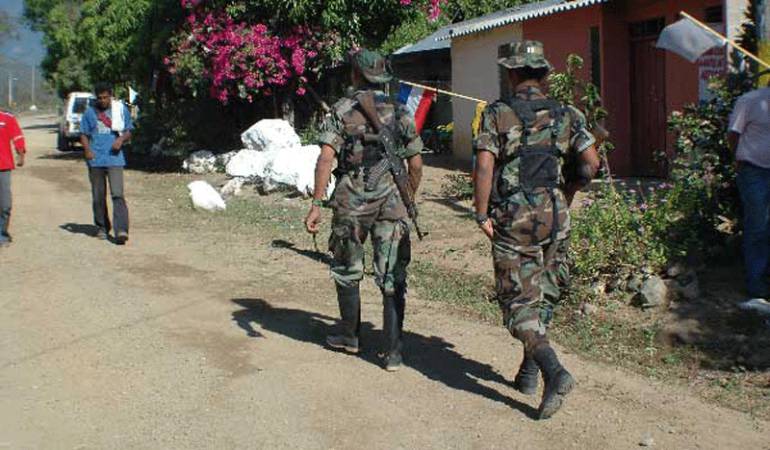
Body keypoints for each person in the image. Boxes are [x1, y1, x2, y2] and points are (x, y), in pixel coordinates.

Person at [473, 40, 600, 419]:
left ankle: (555, 372)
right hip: (556, 214)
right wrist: (568, 193)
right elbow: (590, 164)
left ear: (512, 74)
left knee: (516, 302)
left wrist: (481, 215)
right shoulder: (568, 114)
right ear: (544, 74)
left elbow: (483, 166)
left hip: (516, 217)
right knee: (543, 292)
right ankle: (529, 373)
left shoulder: (498, 113)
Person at [304, 49, 424, 371]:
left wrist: (316, 203)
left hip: (351, 199)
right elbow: (415, 162)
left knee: (347, 269)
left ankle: (350, 337)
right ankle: (394, 352)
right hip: (391, 201)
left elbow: (326, 158)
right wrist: (407, 196)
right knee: (392, 275)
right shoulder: (400, 111)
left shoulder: (342, 110)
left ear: (355, 74)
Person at [728, 81, 770, 299]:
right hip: (754, 171)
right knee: (758, 226)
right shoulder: (749, 101)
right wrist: (737, 158)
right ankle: (757, 283)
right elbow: (733, 134)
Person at [80, 82, 133, 245]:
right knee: (98, 196)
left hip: (115, 159)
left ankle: (121, 230)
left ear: (111, 96)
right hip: (96, 160)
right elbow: (83, 133)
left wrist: (121, 139)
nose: (102, 100)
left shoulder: (120, 110)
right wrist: (87, 150)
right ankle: (102, 226)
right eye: (100, 98)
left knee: (117, 194)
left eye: (105, 97)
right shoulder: (90, 113)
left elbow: (129, 131)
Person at [0, 109, 26, 247]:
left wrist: (20, 153)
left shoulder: (7, 118)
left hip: (3, 167)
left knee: (5, 205)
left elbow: (17, 136)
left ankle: (2, 234)